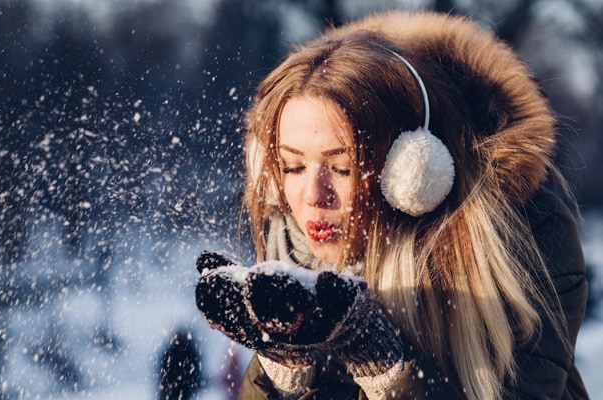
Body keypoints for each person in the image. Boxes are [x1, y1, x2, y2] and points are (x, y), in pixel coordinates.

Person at [194, 9, 590, 400]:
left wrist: (384, 367)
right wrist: (284, 370)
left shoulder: (526, 239)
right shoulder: (292, 251)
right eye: (292, 166)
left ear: (412, 171)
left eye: (343, 168)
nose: (314, 196)